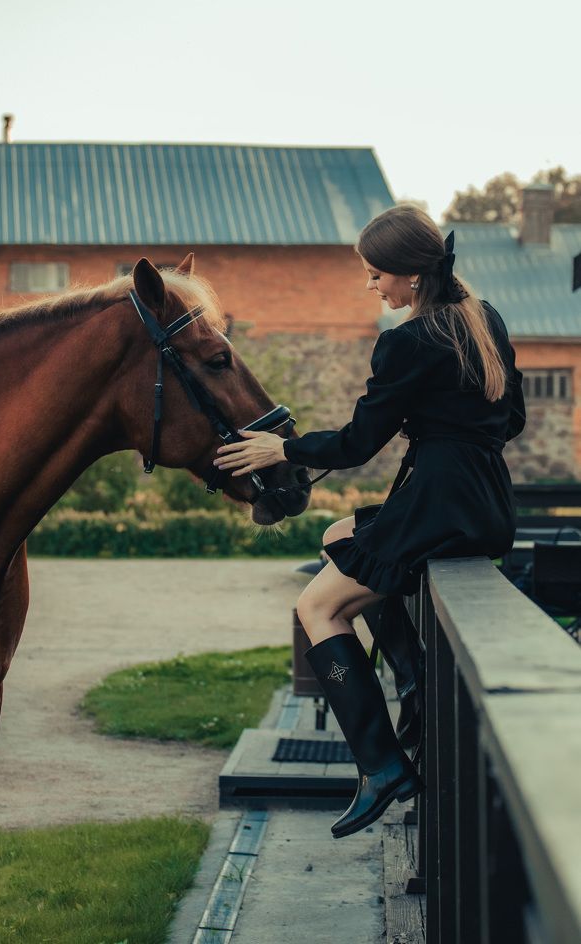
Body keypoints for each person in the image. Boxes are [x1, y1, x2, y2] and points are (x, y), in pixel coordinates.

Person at [213, 204, 527, 839]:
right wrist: (444, 440)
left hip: (440, 501)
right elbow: (512, 420)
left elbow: (358, 443)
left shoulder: (409, 340)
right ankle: (412, 685)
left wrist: (284, 449)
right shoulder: (480, 318)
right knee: (338, 539)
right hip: (486, 500)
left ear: (411, 274)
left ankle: (381, 766)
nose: (371, 284)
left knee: (317, 609)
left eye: (376, 273)